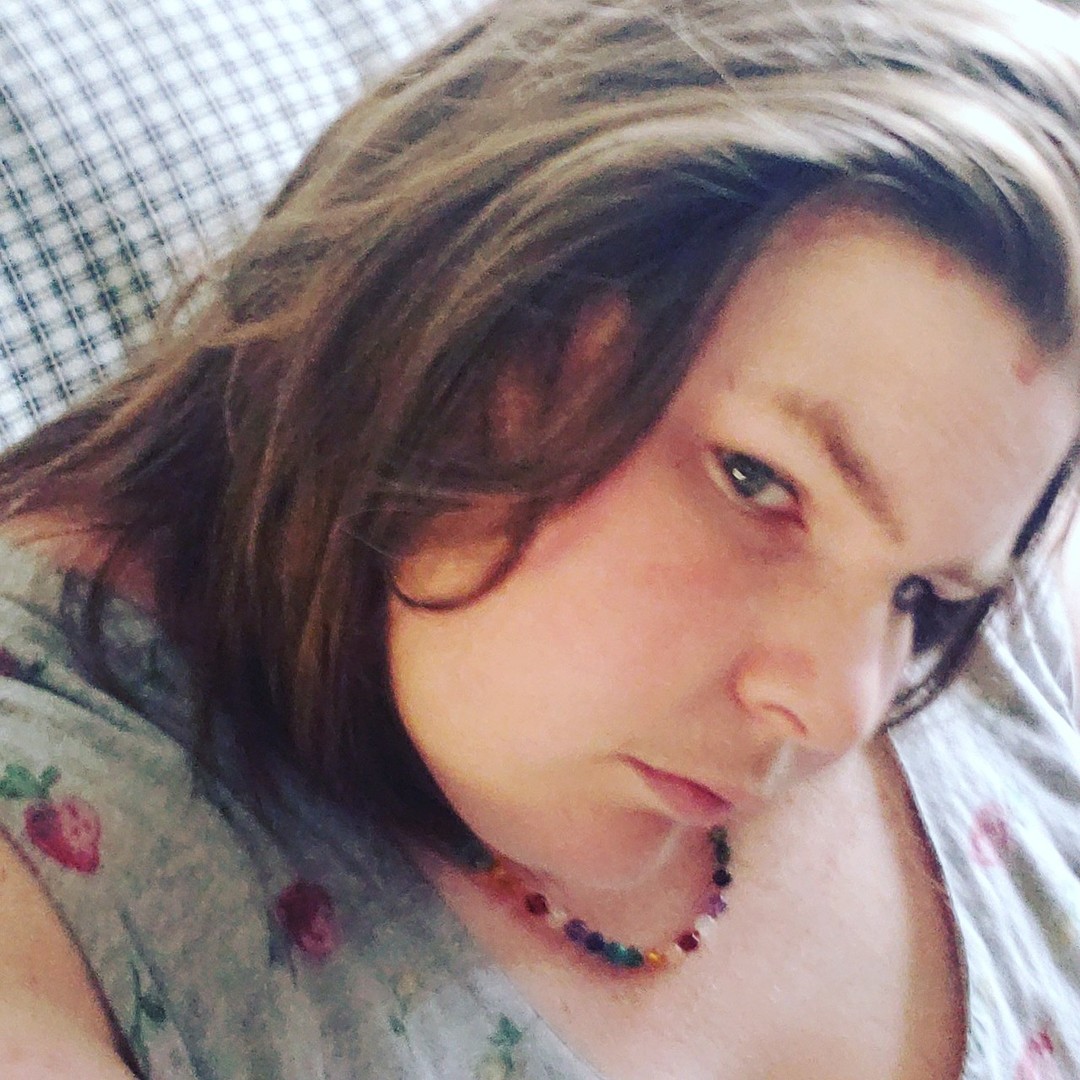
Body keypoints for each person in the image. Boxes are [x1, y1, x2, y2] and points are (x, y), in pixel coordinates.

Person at [0, 0, 1079, 1075]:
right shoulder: (66, 840)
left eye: (922, 596)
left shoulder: (986, 634)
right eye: (758, 481)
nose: (841, 708)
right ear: (451, 312)